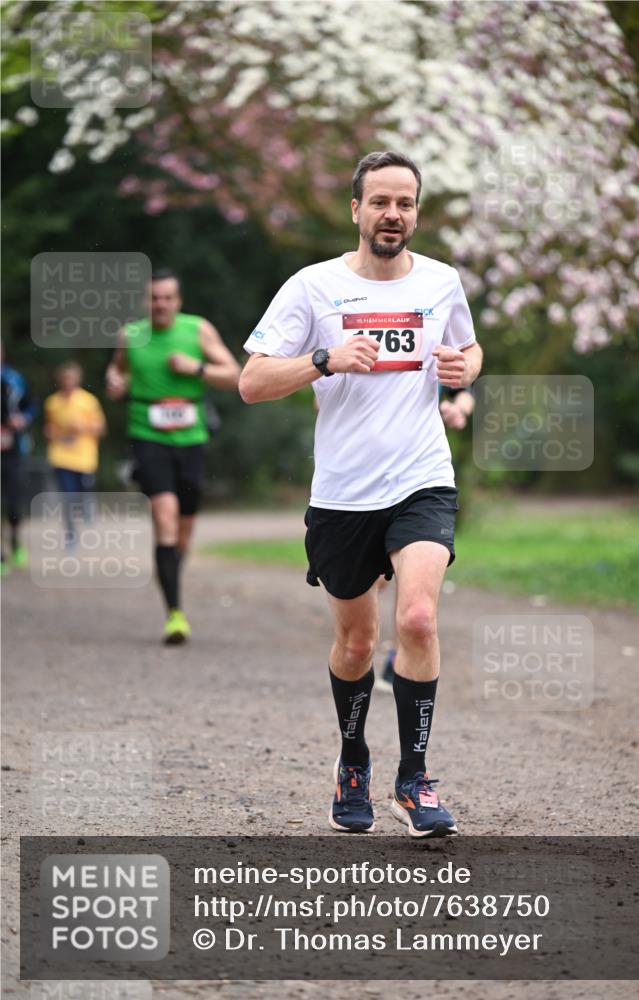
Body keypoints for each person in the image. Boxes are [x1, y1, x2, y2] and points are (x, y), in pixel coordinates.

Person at [240, 151, 483, 838]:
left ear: (416, 212)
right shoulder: (312, 288)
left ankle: (414, 779)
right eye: (379, 201)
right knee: (355, 642)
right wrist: (323, 358)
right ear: (355, 209)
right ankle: (353, 762)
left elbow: (468, 349)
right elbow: (251, 383)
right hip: (344, 495)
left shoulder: (440, 283)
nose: (392, 214)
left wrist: (464, 367)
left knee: (415, 619)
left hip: (421, 479)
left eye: (404, 203)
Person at [105, 269, 240, 645]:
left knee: (184, 526)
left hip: (191, 436)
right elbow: (118, 372)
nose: (160, 304)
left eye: (167, 297)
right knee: (163, 515)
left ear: (177, 301)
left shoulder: (197, 330)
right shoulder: (130, 335)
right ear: (144, 302)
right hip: (147, 434)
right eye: (153, 298)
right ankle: (175, 615)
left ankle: (170, 568)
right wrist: (115, 382)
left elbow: (235, 375)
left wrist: (195, 367)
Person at [376, 386, 476, 693]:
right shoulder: (349, 342)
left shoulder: (431, 343)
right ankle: (359, 647)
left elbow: (465, 389)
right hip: (363, 481)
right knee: (377, 581)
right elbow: (320, 399)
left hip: (420, 480)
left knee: (414, 588)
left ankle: (396, 655)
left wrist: (459, 408)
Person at [43, 361, 106, 547]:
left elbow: (101, 428)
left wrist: (83, 426)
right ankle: (71, 533)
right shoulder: (52, 402)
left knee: (82, 491)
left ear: (78, 379)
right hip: (61, 455)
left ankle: (87, 506)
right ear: (60, 379)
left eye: (72, 377)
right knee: (67, 496)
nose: (68, 381)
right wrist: (52, 432)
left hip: (84, 456)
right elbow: (48, 428)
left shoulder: (88, 401)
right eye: (65, 377)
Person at [1, 347, 35, 573]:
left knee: (14, 502)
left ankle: (14, 540)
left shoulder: (15, 380)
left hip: (12, 450)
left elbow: (32, 406)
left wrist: (23, 419)